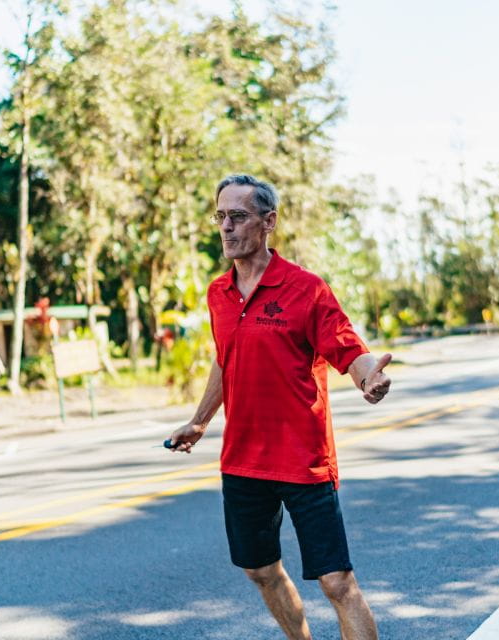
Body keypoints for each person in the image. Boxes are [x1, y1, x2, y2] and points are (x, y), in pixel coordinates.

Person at [166, 174, 392, 640]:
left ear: (268, 222)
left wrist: (368, 376)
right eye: (221, 217)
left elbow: (347, 349)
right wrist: (200, 421)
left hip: (303, 461)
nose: (227, 228)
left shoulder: (306, 289)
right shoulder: (218, 293)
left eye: (239, 217)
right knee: (260, 570)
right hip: (244, 462)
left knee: (336, 582)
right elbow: (225, 359)